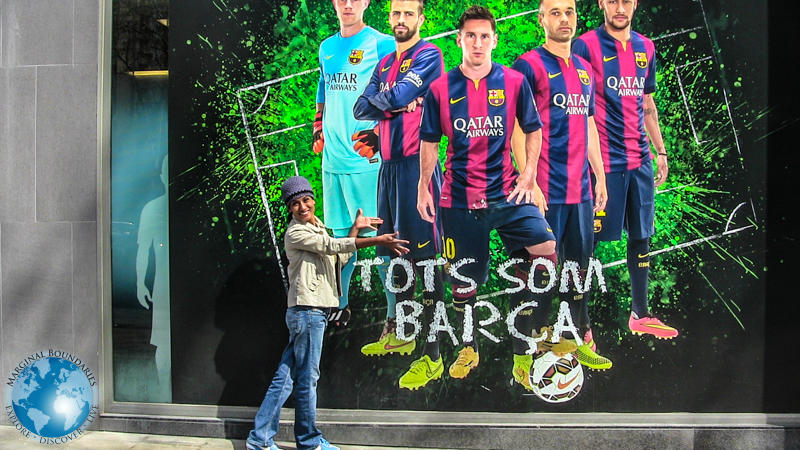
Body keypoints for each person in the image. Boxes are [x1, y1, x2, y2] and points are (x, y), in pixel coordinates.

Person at [417, 5, 561, 390]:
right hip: (459, 202)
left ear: (494, 41)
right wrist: (422, 187)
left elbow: (533, 129)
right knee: (463, 281)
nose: (478, 43)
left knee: (546, 251)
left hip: (508, 195)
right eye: (471, 36)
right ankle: (469, 347)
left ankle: (523, 349)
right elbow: (429, 142)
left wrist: (529, 173)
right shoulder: (440, 89)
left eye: (485, 36)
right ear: (459, 40)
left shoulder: (514, 82)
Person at [246, 176, 408, 450]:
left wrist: (355, 231)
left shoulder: (317, 228)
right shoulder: (296, 233)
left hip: (312, 312)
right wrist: (377, 240)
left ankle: (260, 439)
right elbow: (333, 247)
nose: (302, 206)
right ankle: (308, 442)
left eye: (306, 200)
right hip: (307, 312)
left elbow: (338, 258)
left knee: (286, 377)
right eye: (295, 203)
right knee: (307, 380)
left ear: (313, 200)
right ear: (289, 208)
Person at [511, 0, 612, 371]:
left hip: (580, 193)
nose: (564, 18)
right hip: (545, 193)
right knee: (538, 278)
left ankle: (572, 336)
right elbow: (517, 131)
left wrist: (599, 175)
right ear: (542, 20)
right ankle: (525, 357)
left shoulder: (585, 70)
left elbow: (589, 126)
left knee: (578, 273)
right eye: (555, 12)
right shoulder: (529, 65)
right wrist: (529, 181)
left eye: (568, 11)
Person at [353, 0, 446, 390]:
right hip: (387, 169)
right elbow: (361, 108)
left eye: (409, 13)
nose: (402, 20)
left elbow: (384, 101)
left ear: (420, 19)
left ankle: (434, 353)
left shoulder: (430, 55)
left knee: (426, 259)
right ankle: (404, 334)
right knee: (392, 252)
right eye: (396, 13)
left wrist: (391, 104)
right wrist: (394, 104)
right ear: (389, 18)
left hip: (416, 168)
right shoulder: (385, 62)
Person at [572, 0, 679, 340]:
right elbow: (576, 106)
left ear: (635, 4)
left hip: (640, 162)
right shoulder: (585, 45)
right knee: (587, 243)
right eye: (613, 0)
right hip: (604, 165)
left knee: (641, 235)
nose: (620, 7)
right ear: (603, 3)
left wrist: (660, 151)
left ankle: (640, 314)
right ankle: (580, 322)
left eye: (627, 1)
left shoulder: (646, 47)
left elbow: (647, 104)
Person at [315, 0, 396, 327]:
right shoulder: (327, 47)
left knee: (380, 242)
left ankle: (395, 312)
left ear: (366, 3)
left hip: (367, 163)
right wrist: (318, 125)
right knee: (340, 241)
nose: (348, 4)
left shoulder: (382, 43)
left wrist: (380, 133)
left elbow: (399, 95)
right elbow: (324, 88)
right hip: (332, 160)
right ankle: (340, 305)